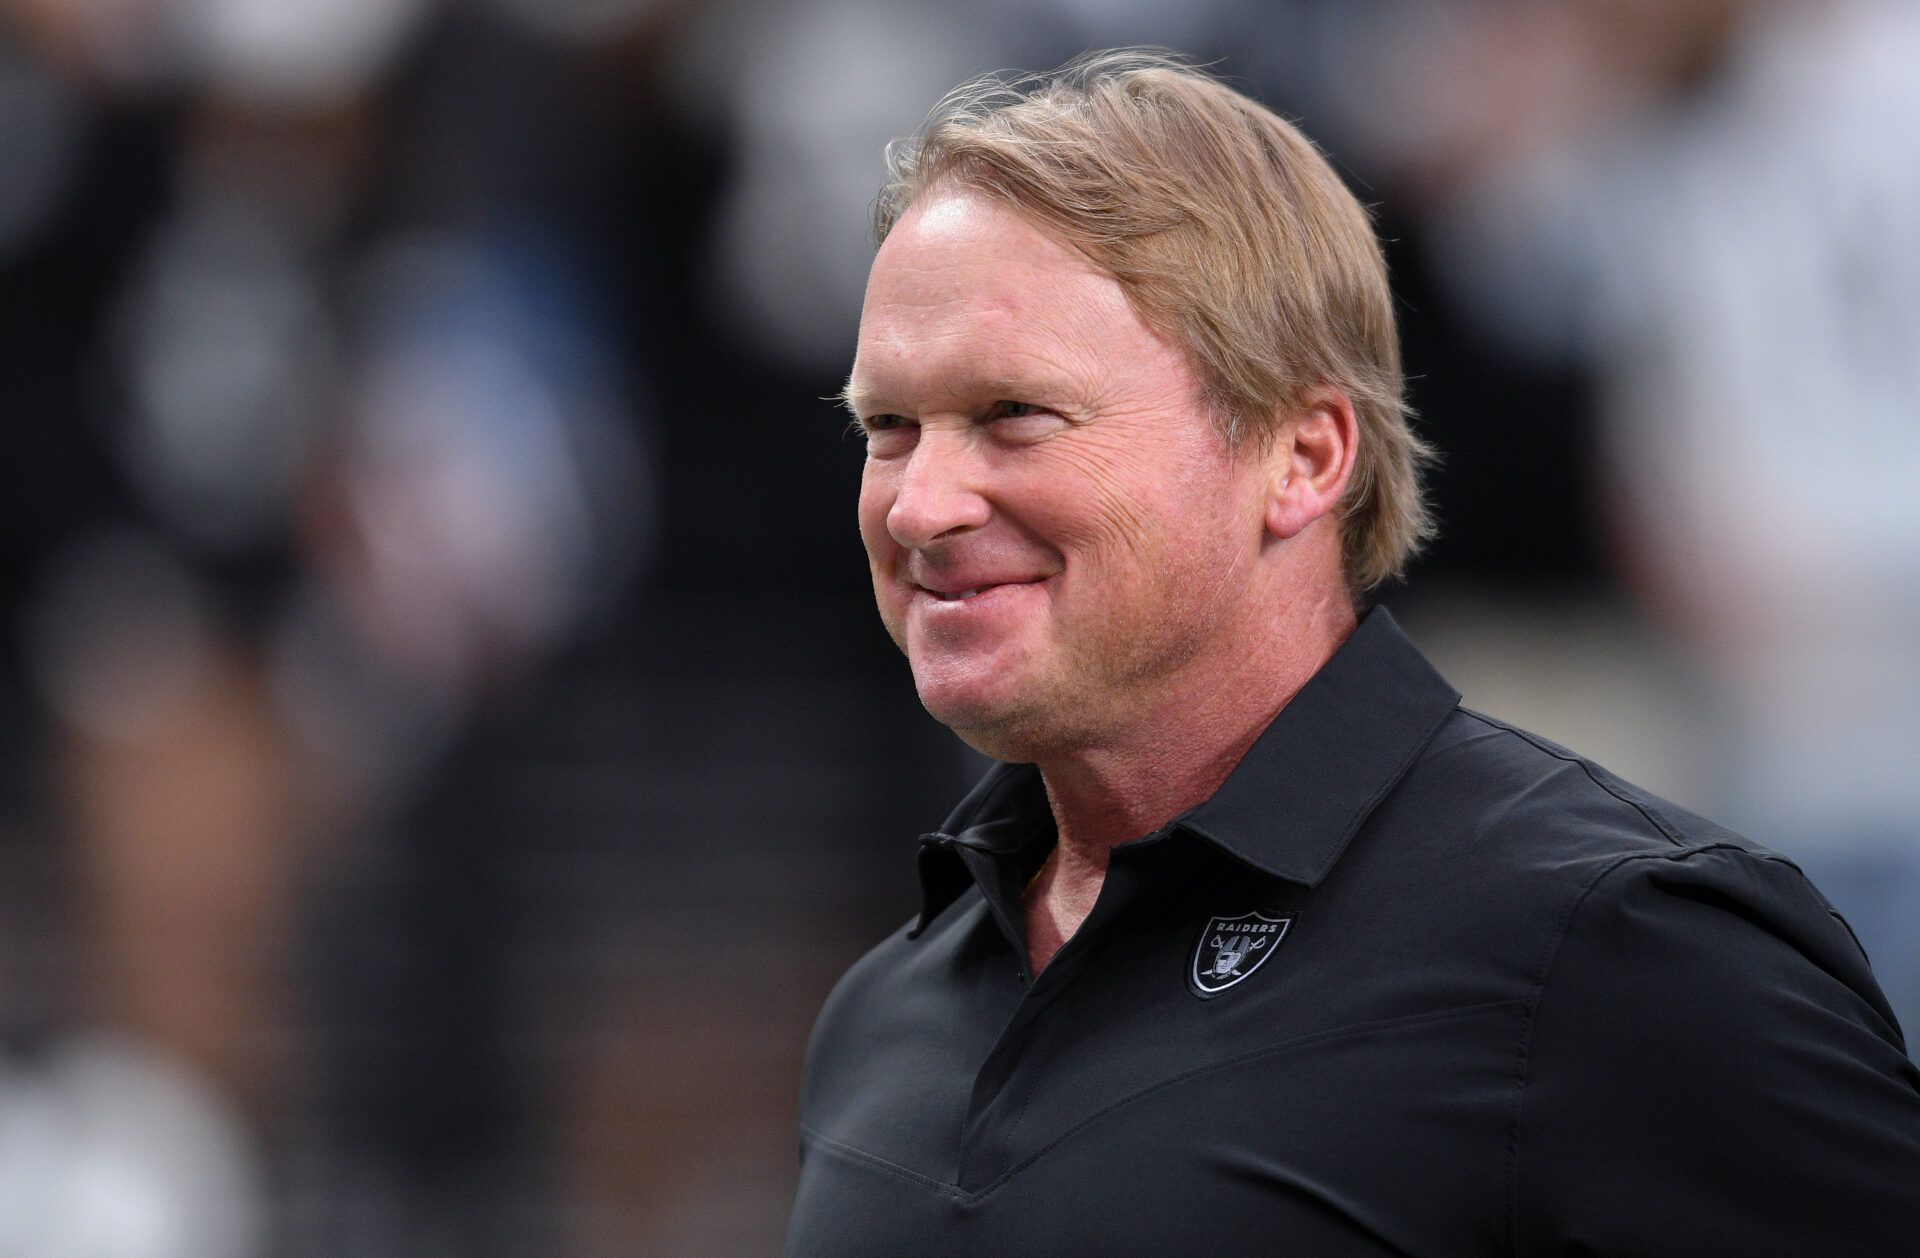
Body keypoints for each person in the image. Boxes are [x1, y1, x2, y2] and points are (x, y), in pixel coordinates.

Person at [785, 50, 1920, 1256]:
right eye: (889, 427)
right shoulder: (883, 1011)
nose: (919, 506)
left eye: (1015, 414)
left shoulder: (1618, 951)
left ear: (1306, 457)